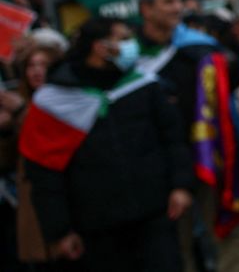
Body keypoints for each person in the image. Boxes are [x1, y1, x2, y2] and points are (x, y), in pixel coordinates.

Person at [22, 17, 191, 272]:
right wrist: (59, 230)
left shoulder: (142, 84)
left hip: (154, 212)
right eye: (123, 39)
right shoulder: (53, 102)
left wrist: (181, 185)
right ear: (100, 47)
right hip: (97, 228)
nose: (131, 45)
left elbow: (173, 138)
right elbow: (44, 172)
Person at [136, 0, 239, 272]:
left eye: (178, 0)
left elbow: (226, 87)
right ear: (146, 9)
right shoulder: (131, 58)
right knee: (176, 246)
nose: (177, 8)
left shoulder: (199, 47)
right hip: (162, 165)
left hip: (209, 154)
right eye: (168, 2)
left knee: (226, 233)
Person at [9, 34, 66, 268]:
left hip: (63, 205)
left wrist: (20, 111)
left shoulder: (66, 101)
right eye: (31, 66)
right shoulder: (19, 103)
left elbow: (46, 139)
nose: (36, 71)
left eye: (43, 65)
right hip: (34, 207)